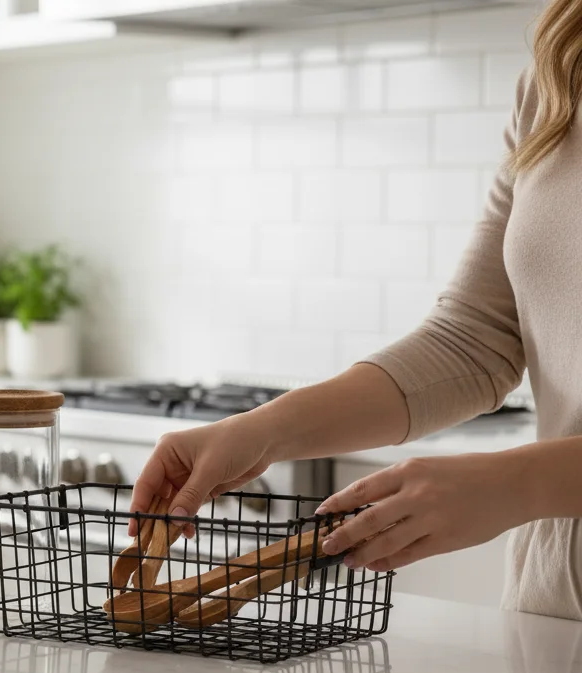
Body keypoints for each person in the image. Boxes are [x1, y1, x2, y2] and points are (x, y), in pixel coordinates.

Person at [132, 0, 582, 620]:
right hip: (553, 607)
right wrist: (258, 432)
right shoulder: (558, 71)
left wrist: (515, 483)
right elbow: (472, 340)